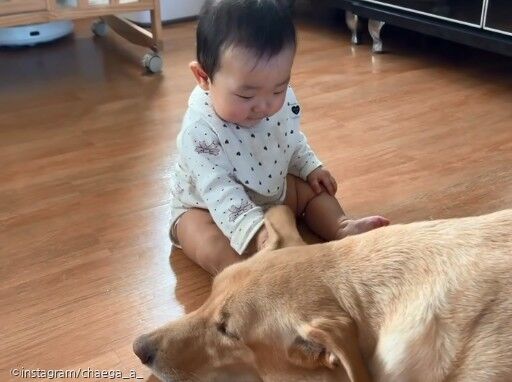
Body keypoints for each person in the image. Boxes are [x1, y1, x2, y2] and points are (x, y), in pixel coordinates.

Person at [169, 0, 389, 274]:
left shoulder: (274, 104)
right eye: (246, 95)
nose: (264, 106)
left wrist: (311, 166)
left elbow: (290, 139)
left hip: (270, 190)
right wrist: (256, 232)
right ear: (203, 76)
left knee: (311, 190)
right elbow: (218, 190)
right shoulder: (199, 131)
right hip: (208, 207)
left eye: (278, 89)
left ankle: (341, 226)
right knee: (201, 236)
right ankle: (244, 273)